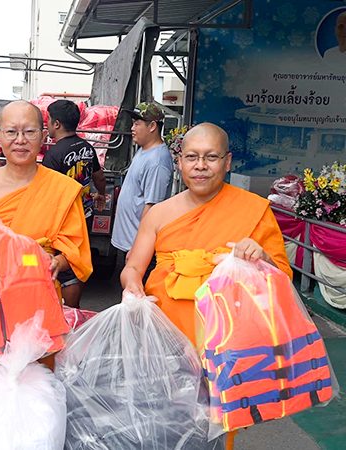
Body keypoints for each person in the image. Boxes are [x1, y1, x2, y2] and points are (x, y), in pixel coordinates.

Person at [120, 122, 292, 345]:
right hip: (165, 332)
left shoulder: (254, 210)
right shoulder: (158, 214)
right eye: (191, 157)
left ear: (227, 162)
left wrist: (263, 260)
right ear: (180, 162)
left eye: (211, 157)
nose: (200, 166)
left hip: (233, 338)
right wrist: (133, 285)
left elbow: (284, 280)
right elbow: (132, 267)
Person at [0, 100, 93, 298]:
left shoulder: (63, 188)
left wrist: (57, 262)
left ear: (43, 137)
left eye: (30, 132)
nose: (20, 140)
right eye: (11, 132)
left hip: (40, 290)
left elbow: (74, 249)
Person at [43, 99, 106, 307]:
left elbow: (47, 192)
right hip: (84, 214)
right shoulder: (87, 147)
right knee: (76, 259)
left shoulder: (53, 155)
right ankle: (74, 309)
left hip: (63, 218)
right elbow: (99, 176)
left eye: (49, 120)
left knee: (63, 264)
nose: (48, 124)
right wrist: (101, 195)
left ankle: (66, 310)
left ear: (57, 124)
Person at [111, 102, 173, 276]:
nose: (132, 128)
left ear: (152, 126)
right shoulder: (144, 150)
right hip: (130, 242)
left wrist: (138, 248)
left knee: (136, 297)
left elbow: (152, 207)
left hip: (138, 247)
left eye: (137, 123)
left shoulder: (158, 161)